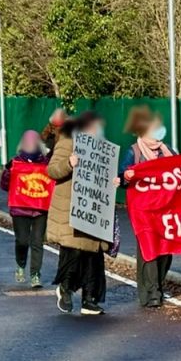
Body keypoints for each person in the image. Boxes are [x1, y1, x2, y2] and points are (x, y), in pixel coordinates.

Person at [47, 111, 112, 316]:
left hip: (93, 209)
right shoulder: (67, 141)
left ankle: (90, 299)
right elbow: (52, 170)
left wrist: (114, 181)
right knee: (73, 254)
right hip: (71, 210)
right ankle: (65, 290)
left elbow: (105, 174)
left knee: (93, 256)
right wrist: (69, 164)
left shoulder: (101, 147)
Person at [118, 107, 176, 307]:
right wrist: (126, 176)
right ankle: (150, 293)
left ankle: (158, 284)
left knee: (165, 251)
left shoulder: (168, 151)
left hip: (166, 209)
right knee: (148, 250)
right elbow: (122, 175)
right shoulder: (133, 152)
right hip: (143, 210)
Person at [1, 130, 50, 288]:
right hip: (20, 208)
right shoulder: (16, 162)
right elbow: (4, 185)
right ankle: (21, 265)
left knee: (37, 242)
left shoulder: (45, 163)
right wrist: (8, 171)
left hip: (40, 209)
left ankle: (35, 274)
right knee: (22, 240)